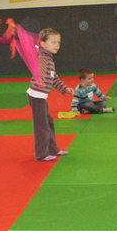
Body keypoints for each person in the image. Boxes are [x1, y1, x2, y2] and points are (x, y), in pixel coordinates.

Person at [27, 28, 74, 161]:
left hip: (40, 97)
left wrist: (65, 89)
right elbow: (40, 69)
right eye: (53, 42)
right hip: (36, 97)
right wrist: (40, 77)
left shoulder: (49, 59)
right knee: (41, 126)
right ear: (43, 44)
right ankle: (41, 154)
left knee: (49, 123)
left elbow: (54, 79)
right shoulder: (43, 58)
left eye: (58, 42)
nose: (57, 45)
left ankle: (53, 149)